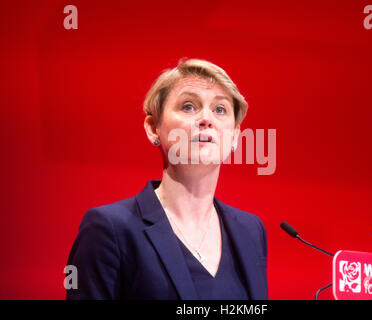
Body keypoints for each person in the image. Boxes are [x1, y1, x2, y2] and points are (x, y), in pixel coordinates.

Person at [66, 58, 268, 299]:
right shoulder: (110, 229)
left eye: (220, 109)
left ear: (235, 136)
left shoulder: (251, 230)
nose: (207, 119)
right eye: (189, 106)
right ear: (153, 127)